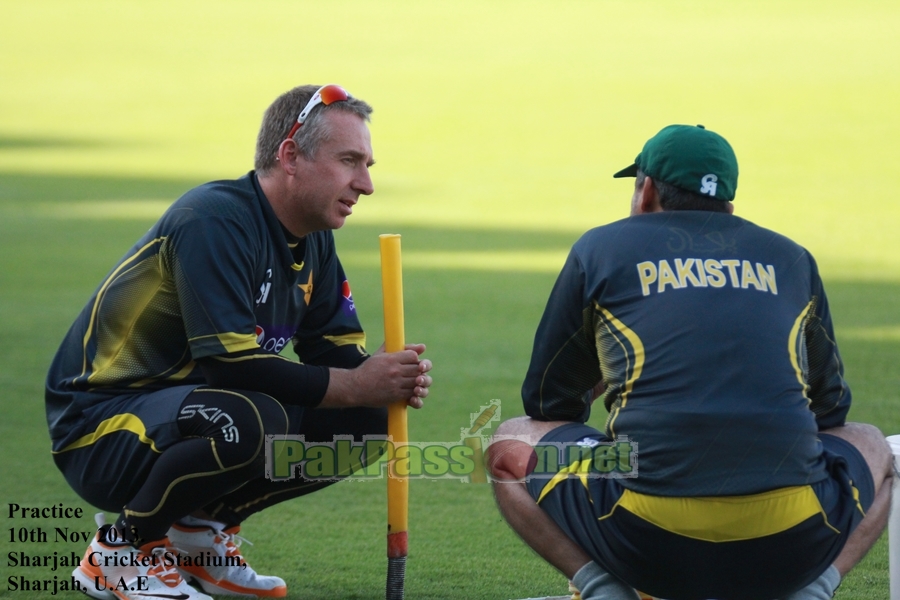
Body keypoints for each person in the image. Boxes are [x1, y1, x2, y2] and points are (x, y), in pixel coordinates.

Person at [45, 84, 433, 600]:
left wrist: (384, 378)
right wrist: (354, 381)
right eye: (349, 161)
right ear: (291, 156)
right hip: (98, 429)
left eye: (367, 165)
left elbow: (335, 354)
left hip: (192, 415)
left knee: (369, 417)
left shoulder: (314, 238)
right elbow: (230, 366)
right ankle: (121, 552)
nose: (365, 184)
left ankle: (197, 535)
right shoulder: (213, 219)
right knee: (251, 417)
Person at [487, 125, 894, 600]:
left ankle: (604, 591)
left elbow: (547, 401)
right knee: (870, 443)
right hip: (793, 541)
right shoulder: (791, 257)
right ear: (729, 205)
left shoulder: (600, 248)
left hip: (645, 542)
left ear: (648, 191)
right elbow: (831, 411)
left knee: (510, 440)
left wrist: (609, 372)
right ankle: (813, 591)